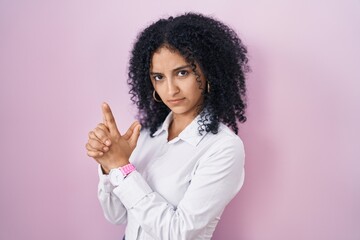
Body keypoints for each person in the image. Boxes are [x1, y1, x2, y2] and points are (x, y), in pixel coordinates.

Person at [86, 12, 249, 240]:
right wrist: (108, 165)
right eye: (159, 77)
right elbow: (117, 216)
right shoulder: (146, 135)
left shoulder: (224, 148)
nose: (170, 90)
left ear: (208, 71)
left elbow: (178, 233)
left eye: (182, 73)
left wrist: (122, 168)